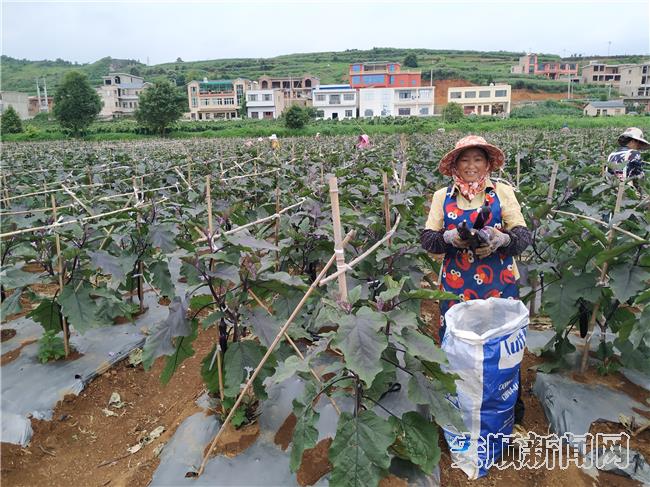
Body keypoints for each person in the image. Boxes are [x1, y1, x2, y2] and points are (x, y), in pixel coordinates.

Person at [420, 135, 532, 425]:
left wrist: (501, 239)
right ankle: (460, 408)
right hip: (458, 287)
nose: (471, 165)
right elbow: (428, 239)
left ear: (487, 164)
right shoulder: (441, 197)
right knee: (458, 345)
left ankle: (508, 409)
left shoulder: (502, 192)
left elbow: (522, 236)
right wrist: (450, 238)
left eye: (477, 159)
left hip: (500, 283)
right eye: (465, 159)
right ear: (455, 164)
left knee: (502, 345)